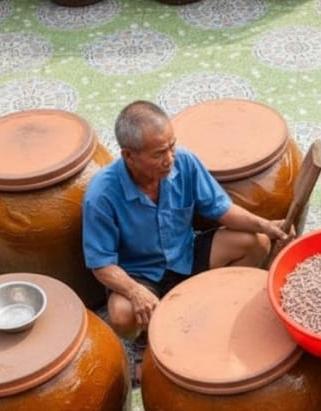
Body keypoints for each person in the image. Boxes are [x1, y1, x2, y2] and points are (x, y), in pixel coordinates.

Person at [82, 100, 289, 339]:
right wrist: (134, 291)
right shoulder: (101, 194)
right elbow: (101, 264)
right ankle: (149, 338)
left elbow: (221, 209)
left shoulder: (185, 162)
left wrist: (265, 225)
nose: (169, 159)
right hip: (140, 274)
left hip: (185, 255)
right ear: (129, 156)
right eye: (159, 154)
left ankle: (211, 310)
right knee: (122, 314)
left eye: (172, 147)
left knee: (256, 242)